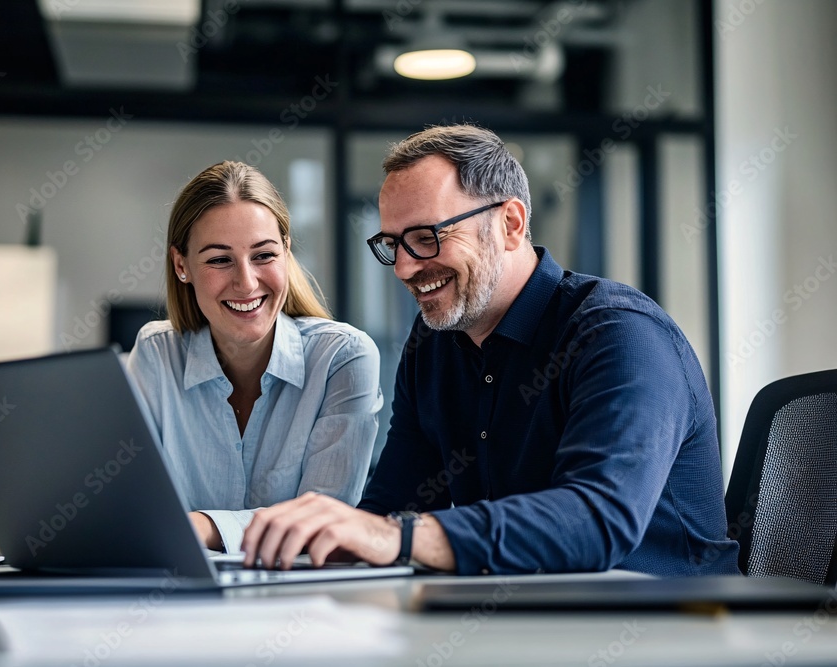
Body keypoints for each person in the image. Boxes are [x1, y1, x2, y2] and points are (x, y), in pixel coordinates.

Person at [241, 125, 740, 577]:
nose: (404, 269)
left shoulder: (619, 334)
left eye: (427, 237)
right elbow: (395, 507)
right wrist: (312, 543)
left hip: (666, 625)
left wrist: (399, 537)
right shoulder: (432, 344)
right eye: (394, 244)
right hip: (527, 620)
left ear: (511, 224)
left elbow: (597, 520)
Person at [126, 160, 382, 554]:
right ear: (182, 266)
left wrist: (201, 527)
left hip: (303, 607)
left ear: (286, 252)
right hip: (181, 601)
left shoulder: (342, 359)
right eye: (219, 259)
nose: (246, 283)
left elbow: (324, 526)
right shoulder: (156, 354)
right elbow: (133, 509)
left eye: (263, 255)